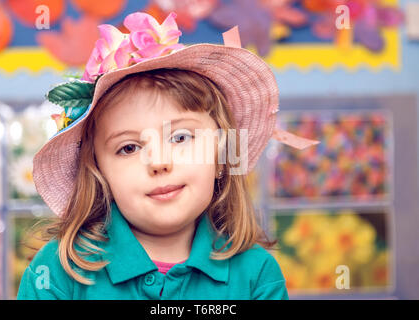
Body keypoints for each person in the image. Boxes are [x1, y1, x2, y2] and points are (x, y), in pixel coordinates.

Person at [17, 11, 319, 300]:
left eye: (181, 137)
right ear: (100, 173)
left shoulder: (256, 274)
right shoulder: (58, 271)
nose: (159, 162)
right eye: (129, 148)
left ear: (222, 156)